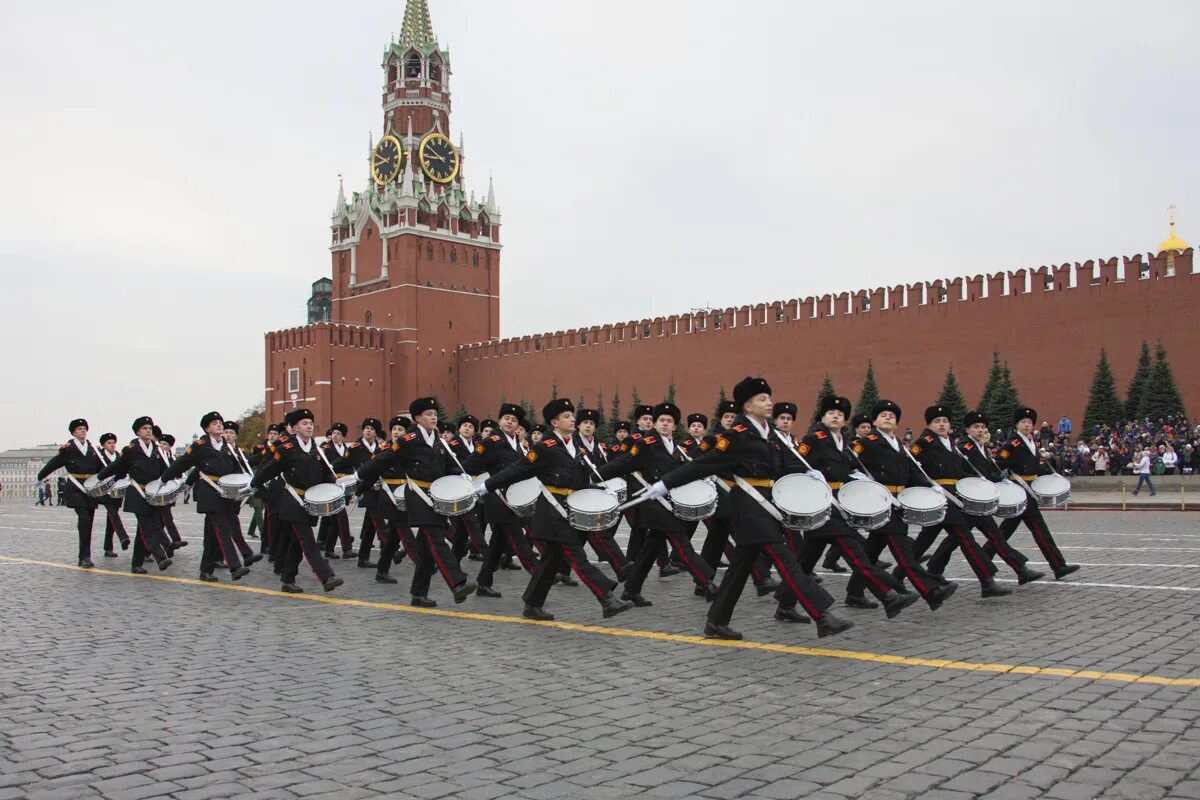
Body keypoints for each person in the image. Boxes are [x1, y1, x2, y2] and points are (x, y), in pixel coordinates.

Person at [647, 378, 851, 639]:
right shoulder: (739, 435)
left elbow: (786, 464)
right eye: (762, 399)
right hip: (748, 508)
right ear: (748, 405)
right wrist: (667, 483)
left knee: (739, 568)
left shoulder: (770, 435)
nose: (769, 403)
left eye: (769, 397)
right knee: (786, 560)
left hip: (766, 504)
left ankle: (716, 622)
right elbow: (704, 463)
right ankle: (822, 616)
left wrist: (810, 472)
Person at [481, 398, 633, 621]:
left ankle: (532, 605)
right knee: (577, 557)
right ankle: (607, 599)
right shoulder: (545, 447)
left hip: (571, 511)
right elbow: (517, 470)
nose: (573, 419)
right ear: (554, 422)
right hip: (553, 514)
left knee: (550, 561)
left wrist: (601, 489)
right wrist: (486, 485)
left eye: (572, 415)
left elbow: (582, 477)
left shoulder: (577, 447)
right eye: (567, 416)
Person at [356, 398, 477, 607]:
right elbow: (384, 459)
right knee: (437, 539)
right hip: (418, 498)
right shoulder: (408, 440)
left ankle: (418, 594)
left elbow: (449, 466)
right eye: (429, 414)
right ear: (418, 418)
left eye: (435, 413)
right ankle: (457, 583)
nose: (433, 417)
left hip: (437, 498)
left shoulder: (438, 441)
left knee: (426, 549)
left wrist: (462, 476)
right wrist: (358, 476)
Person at [603, 402, 719, 606]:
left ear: (675, 426)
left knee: (650, 549)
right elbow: (622, 464)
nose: (665, 424)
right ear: (655, 424)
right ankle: (707, 582)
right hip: (654, 505)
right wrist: (595, 476)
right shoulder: (645, 444)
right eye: (661, 421)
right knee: (681, 542)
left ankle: (631, 590)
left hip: (669, 503)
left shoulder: (676, 447)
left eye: (669, 421)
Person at [847, 400, 959, 611]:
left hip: (897, 503)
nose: (888, 418)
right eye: (883, 415)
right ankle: (930, 591)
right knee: (903, 548)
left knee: (871, 551)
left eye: (892, 416)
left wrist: (928, 486)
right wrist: (859, 478)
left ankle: (854, 593)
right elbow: (849, 461)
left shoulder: (898, 444)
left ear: (897, 423)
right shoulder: (868, 441)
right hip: (880, 501)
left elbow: (911, 471)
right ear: (875, 421)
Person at [248, 408, 344, 593]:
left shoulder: (317, 449)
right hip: (292, 500)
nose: (309, 426)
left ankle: (287, 579)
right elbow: (270, 469)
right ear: (294, 428)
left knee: (295, 543)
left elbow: (325, 473)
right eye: (304, 423)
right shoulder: (287, 448)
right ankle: (326, 576)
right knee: (308, 540)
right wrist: (254, 484)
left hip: (309, 502)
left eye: (310, 423)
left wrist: (336, 484)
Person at [160, 412, 256, 582]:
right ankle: (235, 567)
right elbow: (182, 463)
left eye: (220, 422)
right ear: (206, 428)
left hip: (226, 493)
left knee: (213, 535)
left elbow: (237, 469)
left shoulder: (227, 446)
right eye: (214, 423)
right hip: (209, 492)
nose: (219, 425)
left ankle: (205, 570)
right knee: (223, 528)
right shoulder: (200, 445)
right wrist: (164, 478)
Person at [995, 408, 1080, 579]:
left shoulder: (1031, 441)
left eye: (1029, 422)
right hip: (1020, 488)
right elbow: (1000, 462)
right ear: (1017, 425)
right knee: (1038, 529)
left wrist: (1049, 473)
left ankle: (985, 561)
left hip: (1029, 488)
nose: (1027, 425)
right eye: (1023, 422)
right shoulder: (1013, 442)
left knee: (1003, 532)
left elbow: (1035, 467)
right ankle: (1058, 566)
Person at [94, 416, 175, 573]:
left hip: (153, 494)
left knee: (147, 528)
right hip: (137, 493)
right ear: (138, 432)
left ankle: (136, 564)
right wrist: (100, 478)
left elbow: (166, 469)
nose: (148, 431)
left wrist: (175, 481)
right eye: (145, 428)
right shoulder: (131, 450)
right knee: (146, 527)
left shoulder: (157, 449)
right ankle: (160, 557)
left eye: (150, 428)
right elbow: (117, 466)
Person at [37, 418, 105, 567]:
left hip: (91, 489)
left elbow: (103, 467)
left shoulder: (94, 449)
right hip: (75, 488)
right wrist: (40, 477)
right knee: (84, 519)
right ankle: (84, 556)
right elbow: (53, 464)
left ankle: (84, 556)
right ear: (73, 432)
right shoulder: (68, 449)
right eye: (80, 428)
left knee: (89, 522)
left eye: (85, 428)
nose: (83, 431)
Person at [96, 432, 132, 557]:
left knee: (111, 519)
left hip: (117, 491)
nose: (112, 445)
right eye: (109, 443)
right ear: (103, 445)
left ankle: (108, 548)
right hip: (105, 492)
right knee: (114, 514)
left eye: (113, 443)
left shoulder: (119, 456)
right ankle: (123, 537)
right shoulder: (99, 457)